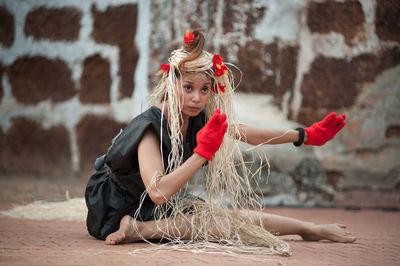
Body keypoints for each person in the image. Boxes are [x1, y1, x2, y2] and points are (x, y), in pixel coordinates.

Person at [85, 29, 356, 255]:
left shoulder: (197, 119)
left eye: (204, 90)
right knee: (213, 224)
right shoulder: (149, 128)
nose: (197, 98)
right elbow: (157, 192)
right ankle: (137, 230)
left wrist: (304, 135)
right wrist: (202, 154)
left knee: (228, 218)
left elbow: (249, 134)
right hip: (116, 208)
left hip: (153, 206)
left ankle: (308, 229)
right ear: (171, 84)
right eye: (188, 87)